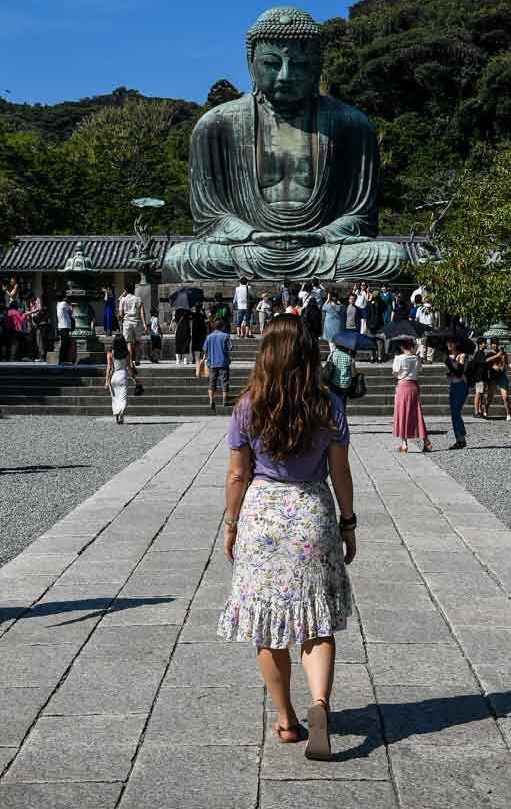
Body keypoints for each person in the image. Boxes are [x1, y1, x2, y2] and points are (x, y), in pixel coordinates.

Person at [218, 315, 356, 762]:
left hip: (263, 516)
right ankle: (320, 703)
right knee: (316, 621)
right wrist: (349, 522)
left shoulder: (248, 405)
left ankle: (286, 719)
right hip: (312, 512)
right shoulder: (329, 404)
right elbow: (340, 472)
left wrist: (232, 524)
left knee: (269, 622)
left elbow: (238, 473)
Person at [391, 338, 432, 453]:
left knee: (402, 413)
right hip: (414, 385)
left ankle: (404, 444)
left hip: (403, 386)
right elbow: (420, 370)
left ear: (401, 346)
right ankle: (426, 440)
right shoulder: (416, 358)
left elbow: (395, 372)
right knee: (417, 413)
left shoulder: (399, 358)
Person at [105, 327, 135, 424]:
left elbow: (109, 368)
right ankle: (121, 414)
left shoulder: (110, 353)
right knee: (123, 398)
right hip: (123, 376)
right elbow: (129, 368)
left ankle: (117, 415)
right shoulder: (126, 353)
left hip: (113, 377)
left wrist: (106, 381)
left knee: (115, 398)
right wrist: (135, 379)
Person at [203, 318, 232, 413]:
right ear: (222, 326)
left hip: (212, 363)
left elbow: (205, 349)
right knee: (225, 381)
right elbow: (230, 348)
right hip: (223, 362)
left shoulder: (209, 337)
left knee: (212, 382)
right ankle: (224, 400)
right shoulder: (226, 336)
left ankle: (211, 401)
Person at [445, 340, 470, 450]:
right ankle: (459, 439)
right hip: (453, 386)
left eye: (451, 343)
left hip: (461, 385)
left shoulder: (462, 356)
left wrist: (448, 364)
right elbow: (454, 372)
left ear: (457, 343)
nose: (449, 345)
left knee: (456, 411)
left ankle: (461, 435)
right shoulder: (450, 356)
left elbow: (459, 373)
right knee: (453, 413)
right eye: (448, 343)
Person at [323, 339, 356, 414]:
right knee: (343, 402)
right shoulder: (349, 356)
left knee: (334, 402)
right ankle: (342, 417)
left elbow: (327, 366)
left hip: (334, 383)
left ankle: (335, 417)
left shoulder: (333, 354)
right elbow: (354, 373)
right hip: (345, 384)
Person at [484, 340, 511, 420]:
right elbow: (486, 361)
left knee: (505, 396)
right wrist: (496, 357)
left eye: (496, 343)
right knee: (490, 396)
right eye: (493, 344)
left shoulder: (503, 354)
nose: (495, 345)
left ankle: (508, 414)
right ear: (491, 345)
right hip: (492, 377)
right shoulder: (489, 354)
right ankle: (485, 411)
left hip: (502, 376)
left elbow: (508, 362)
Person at [119, 284, 144, 365]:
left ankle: (129, 361)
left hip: (127, 323)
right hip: (136, 322)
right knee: (137, 342)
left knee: (128, 342)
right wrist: (144, 324)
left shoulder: (123, 300)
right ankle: (137, 360)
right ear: (134, 289)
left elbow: (120, 314)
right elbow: (142, 313)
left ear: (125, 290)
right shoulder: (138, 299)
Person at [55, 296, 75, 366]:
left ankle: (64, 359)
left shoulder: (58, 304)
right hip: (64, 326)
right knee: (64, 344)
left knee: (66, 343)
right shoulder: (64, 304)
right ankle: (62, 360)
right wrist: (71, 305)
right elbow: (71, 312)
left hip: (62, 326)